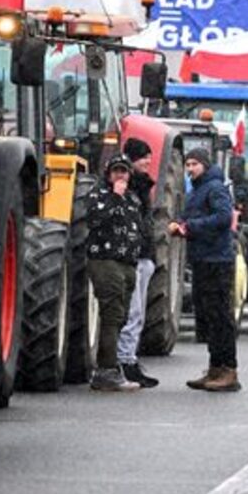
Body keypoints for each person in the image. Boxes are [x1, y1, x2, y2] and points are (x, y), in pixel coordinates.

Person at [171, 148, 240, 392]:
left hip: (217, 261)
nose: (190, 169)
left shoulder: (215, 188)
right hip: (202, 258)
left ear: (205, 165)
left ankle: (229, 370)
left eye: (194, 164)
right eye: (187, 164)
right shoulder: (198, 189)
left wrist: (191, 227)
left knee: (220, 317)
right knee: (208, 317)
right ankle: (214, 368)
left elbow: (223, 218)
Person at [85, 154, 145, 392]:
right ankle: (106, 370)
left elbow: (139, 226)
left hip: (127, 262)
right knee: (112, 313)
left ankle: (112, 366)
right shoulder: (99, 195)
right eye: (116, 171)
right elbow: (94, 220)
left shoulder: (133, 199)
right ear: (108, 174)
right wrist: (114, 197)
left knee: (121, 316)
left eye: (124, 171)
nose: (120, 175)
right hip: (105, 259)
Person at [116, 138, 158, 388]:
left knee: (138, 313)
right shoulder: (127, 188)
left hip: (143, 256)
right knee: (131, 313)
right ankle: (125, 362)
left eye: (149, 157)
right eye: (143, 157)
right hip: (133, 257)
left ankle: (130, 359)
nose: (148, 162)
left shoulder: (142, 187)